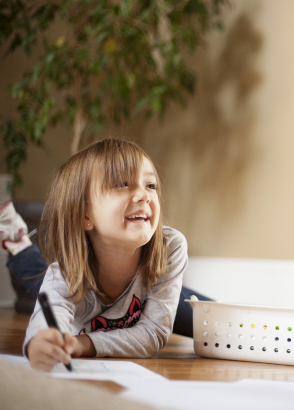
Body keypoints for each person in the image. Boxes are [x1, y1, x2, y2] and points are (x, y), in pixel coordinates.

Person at [3, 139, 210, 371]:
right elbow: (49, 320)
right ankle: (17, 241)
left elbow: (152, 334)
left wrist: (83, 344)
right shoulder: (64, 275)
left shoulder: (169, 246)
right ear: (85, 215)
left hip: (154, 288)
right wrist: (42, 342)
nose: (144, 195)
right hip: (83, 280)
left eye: (150, 185)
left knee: (216, 324)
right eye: (122, 183)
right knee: (43, 279)